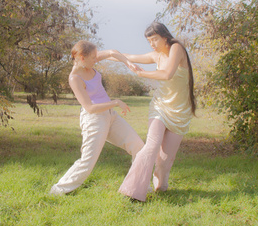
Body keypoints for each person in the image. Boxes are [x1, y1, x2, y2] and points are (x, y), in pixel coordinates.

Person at [49, 40, 144, 195]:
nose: (96, 59)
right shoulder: (75, 78)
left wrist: (128, 63)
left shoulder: (88, 62)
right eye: (93, 57)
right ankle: (57, 191)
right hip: (94, 120)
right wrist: (115, 102)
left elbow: (113, 52)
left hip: (110, 116)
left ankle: (137, 188)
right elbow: (90, 108)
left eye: (96, 56)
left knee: (138, 146)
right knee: (87, 162)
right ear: (81, 58)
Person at [118, 22, 196, 201]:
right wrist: (107, 55)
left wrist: (143, 74)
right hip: (160, 106)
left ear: (165, 36)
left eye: (154, 39)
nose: (152, 44)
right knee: (151, 146)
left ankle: (160, 188)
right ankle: (133, 191)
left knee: (164, 161)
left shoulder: (176, 48)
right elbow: (130, 56)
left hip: (180, 112)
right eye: (149, 41)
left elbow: (167, 74)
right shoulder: (156, 55)